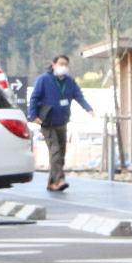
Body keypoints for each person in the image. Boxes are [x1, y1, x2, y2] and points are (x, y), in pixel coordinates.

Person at [25, 54, 91, 192]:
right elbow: (34, 97)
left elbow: (78, 95)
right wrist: (32, 115)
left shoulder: (69, 81)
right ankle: (60, 180)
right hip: (47, 121)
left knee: (61, 152)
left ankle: (52, 183)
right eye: (61, 64)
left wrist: (88, 108)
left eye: (66, 64)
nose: (63, 67)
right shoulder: (44, 79)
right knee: (55, 150)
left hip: (62, 121)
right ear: (53, 64)